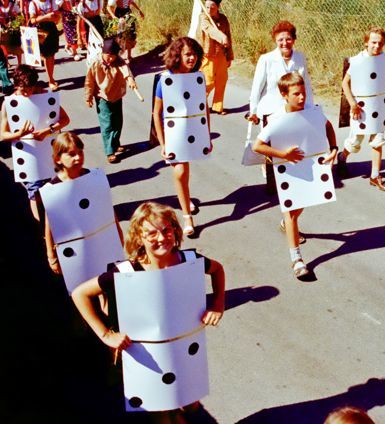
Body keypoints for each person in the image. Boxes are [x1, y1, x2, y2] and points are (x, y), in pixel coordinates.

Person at [71, 201, 225, 421]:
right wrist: (105, 334)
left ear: (175, 230)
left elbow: (217, 270)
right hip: (146, 355)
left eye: (166, 230)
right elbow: (80, 294)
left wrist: (218, 304)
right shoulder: (126, 272)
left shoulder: (189, 261)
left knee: (190, 403)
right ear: (139, 238)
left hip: (181, 347)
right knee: (160, 411)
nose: (161, 238)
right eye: (151, 233)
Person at [252, 72, 337, 279]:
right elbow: (257, 146)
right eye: (296, 94)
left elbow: (327, 126)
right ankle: (296, 259)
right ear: (284, 95)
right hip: (288, 169)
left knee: (303, 203)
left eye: (303, 93)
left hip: (311, 166)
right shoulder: (276, 119)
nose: (302, 97)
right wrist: (283, 154)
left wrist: (334, 148)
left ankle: (287, 224)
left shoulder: (311, 110)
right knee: (291, 211)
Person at [42, 132, 123, 276]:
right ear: (58, 159)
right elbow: (50, 224)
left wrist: (118, 233)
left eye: (80, 152)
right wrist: (51, 255)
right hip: (77, 247)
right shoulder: (53, 189)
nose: (78, 157)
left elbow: (107, 208)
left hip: (100, 239)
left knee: (107, 277)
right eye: (71, 154)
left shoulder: (94, 177)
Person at [248, 20, 313, 194]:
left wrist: (310, 107)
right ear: (275, 40)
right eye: (280, 40)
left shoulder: (300, 58)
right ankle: (272, 182)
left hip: (292, 110)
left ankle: (290, 177)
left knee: (288, 144)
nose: (285, 43)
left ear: (294, 39)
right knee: (271, 147)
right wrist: (253, 110)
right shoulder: (266, 59)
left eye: (288, 39)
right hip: (271, 110)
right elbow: (257, 87)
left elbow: (306, 84)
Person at [152, 36, 208, 238]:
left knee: (184, 172)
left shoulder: (197, 78)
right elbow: (156, 113)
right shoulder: (165, 79)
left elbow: (204, 109)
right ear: (177, 55)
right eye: (187, 54)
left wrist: (207, 136)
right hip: (173, 133)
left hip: (193, 130)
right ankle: (187, 218)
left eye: (195, 54)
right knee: (181, 170)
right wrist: (163, 143)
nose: (192, 58)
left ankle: (185, 198)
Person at [0, 64, 70, 221]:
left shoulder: (45, 97)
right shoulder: (9, 103)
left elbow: (65, 119)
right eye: (22, 90)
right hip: (27, 154)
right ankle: (39, 226)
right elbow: (3, 135)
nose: (27, 93)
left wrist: (48, 131)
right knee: (34, 192)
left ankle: (60, 221)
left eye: (29, 89)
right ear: (16, 85)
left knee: (57, 186)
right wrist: (19, 134)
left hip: (49, 151)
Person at [336, 27, 385, 192]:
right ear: (366, 43)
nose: (377, 46)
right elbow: (345, 83)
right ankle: (342, 157)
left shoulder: (384, 59)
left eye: (380, 43)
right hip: (362, 108)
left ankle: (375, 176)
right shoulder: (358, 61)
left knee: (378, 140)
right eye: (373, 42)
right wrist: (353, 104)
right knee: (355, 141)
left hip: (379, 105)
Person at [84, 38, 137, 164]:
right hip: (102, 97)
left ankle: (115, 143)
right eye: (109, 56)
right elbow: (89, 82)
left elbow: (125, 69)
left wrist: (130, 79)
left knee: (118, 122)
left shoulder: (118, 61)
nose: (111, 59)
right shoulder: (95, 63)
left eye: (114, 56)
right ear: (103, 53)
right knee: (107, 124)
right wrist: (88, 97)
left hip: (116, 95)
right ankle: (110, 151)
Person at [199, 0, 232, 114]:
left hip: (221, 55)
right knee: (208, 82)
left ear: (218, 7)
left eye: (212, 7)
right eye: (207, 7)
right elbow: (209, 30)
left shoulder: (223, 19)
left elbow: (228, 36)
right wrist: (222, 37)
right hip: (208, 56)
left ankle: (217, 107)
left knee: (221, 81)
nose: (208, 10)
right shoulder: (204, 17)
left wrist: (229, 56)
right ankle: (198, 105)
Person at [27, 0, 60, 90]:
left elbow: (57, 18)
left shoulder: (52, 2)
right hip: (40, 31)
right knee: (43, 57)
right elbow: (32, 20)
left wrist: (42, 17)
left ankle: (51, 79)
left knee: (51, 55)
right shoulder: (33, 3)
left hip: (51, 30)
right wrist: (46, 17)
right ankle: (47, 81)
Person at [0, 0, 23, 68]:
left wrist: (15, 17)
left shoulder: (13, 4)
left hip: (13, 29)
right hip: (2, 30)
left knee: (17, 47)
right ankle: (6, 62)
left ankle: (20, 64)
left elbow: (20, 18)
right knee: (4, 48)